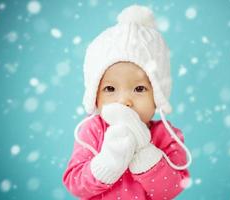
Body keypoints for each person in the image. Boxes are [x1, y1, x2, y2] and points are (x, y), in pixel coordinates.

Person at [63, 4, 192, 200]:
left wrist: (144, 152)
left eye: (139, 89)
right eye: (110, 89)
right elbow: (75, 184)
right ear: (95, 96)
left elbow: (171, 189)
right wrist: (108, 163)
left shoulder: (167, 135)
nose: (124, 101)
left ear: (158, 95)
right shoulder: (91, 130)